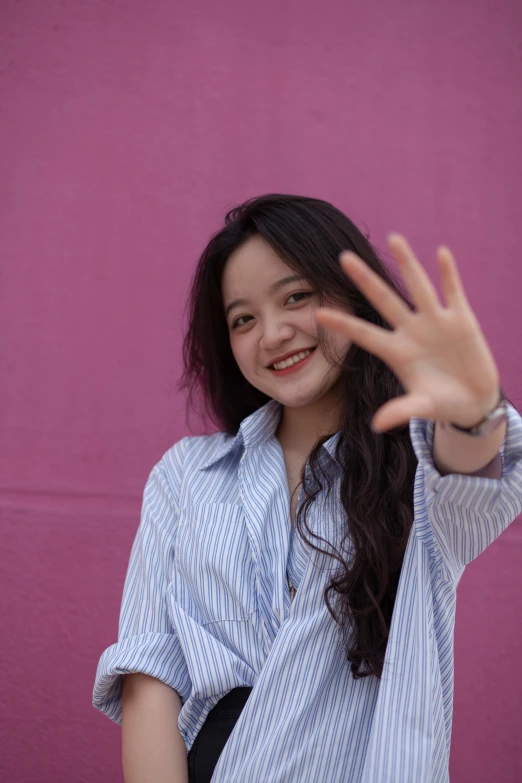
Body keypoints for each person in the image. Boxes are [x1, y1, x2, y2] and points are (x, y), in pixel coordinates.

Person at [92, 194, 522, 783]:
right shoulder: (185, 476)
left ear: (352, 298)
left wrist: (473, 410)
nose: (272, 334)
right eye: (242, 319)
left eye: (296, 297)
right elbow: (150, 675)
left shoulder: (413, 465)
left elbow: (471, 481)